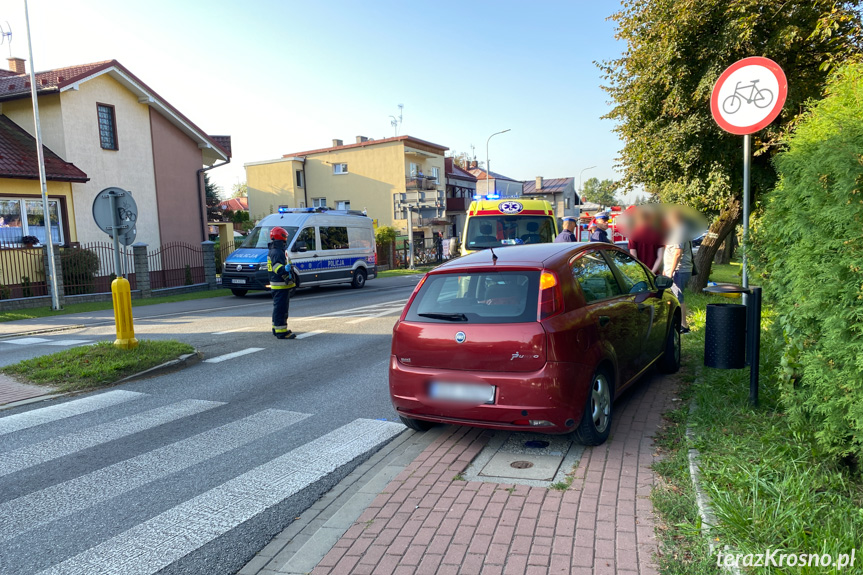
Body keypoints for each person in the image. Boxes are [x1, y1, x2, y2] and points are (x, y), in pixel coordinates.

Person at [663, 209, 692, 333]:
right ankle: (680, 324)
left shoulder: (679, 231)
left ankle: (683, 325)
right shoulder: (681, 230)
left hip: (679, 270)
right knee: (677, 296)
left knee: (677, 297)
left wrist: (670, 272)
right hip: (677, 269)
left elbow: (677, 253)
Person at [267, 226, 296, 339]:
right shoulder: (277, 251)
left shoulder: (275, 250)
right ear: (282, 237)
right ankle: (281, 332)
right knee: (281, 310)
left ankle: (277, 328)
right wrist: (285, 269)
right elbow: (277, 268)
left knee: (279, 309)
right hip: (280, 285)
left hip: (278, 285)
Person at [627, 207, 665, 274]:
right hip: (654, 274)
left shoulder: (633, 234)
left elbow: (634, 257)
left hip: (640, 274)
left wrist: (641, 272)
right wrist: (652, 273)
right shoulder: (659, 234)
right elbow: (660, 257)